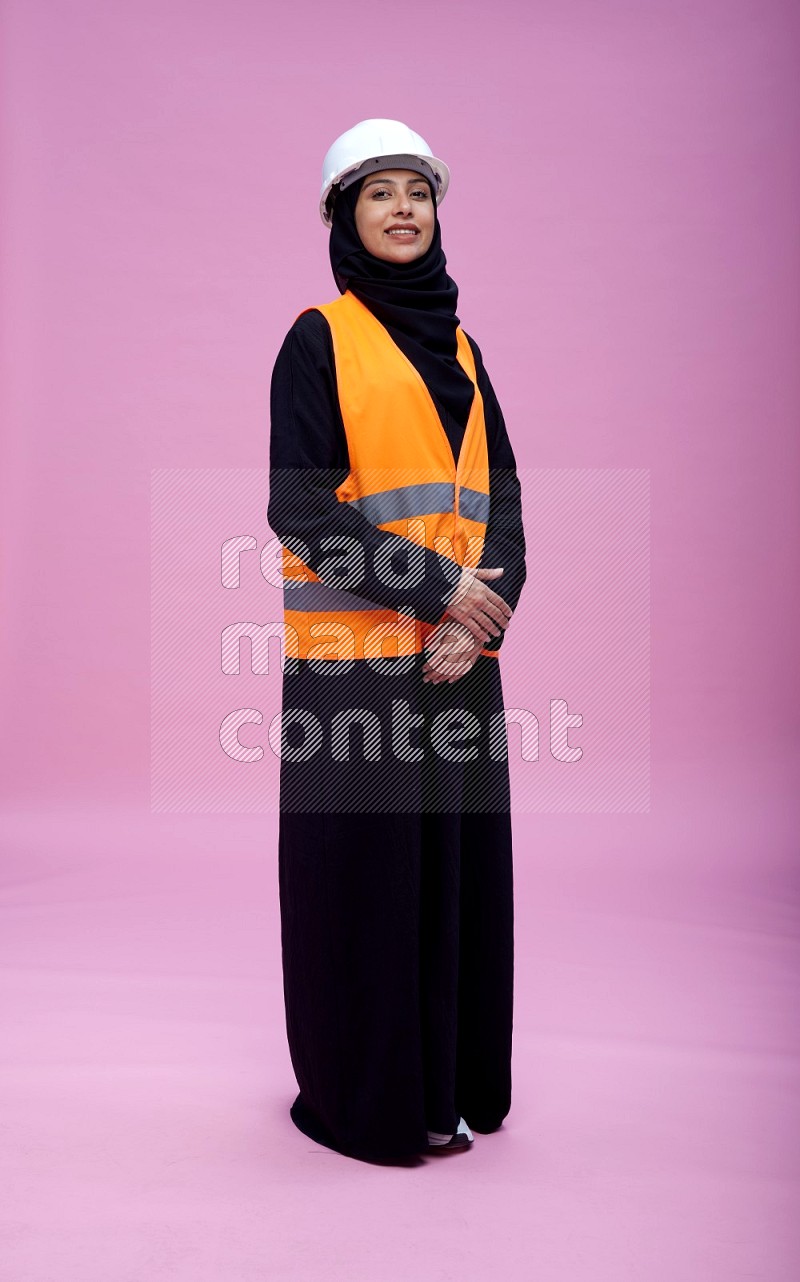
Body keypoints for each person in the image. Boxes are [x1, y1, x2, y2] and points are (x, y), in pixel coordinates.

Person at [267, 119, 527, 1163]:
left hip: (460, 665)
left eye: (415, 192)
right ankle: (365, 1099)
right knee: (363, 887)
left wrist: (481, 617)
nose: (401, 210)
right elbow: (303, 513)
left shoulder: (464, 348)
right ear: (343, 217)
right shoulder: (316, 338)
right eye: (376, 194)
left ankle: (448, 1084)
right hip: (354, 672)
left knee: (457, 878)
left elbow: (500, 497)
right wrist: (441, 596)